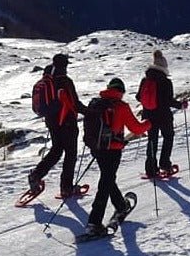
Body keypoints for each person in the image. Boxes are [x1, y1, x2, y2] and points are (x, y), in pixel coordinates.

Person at [83, 77, 150, 237]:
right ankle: (94, 222)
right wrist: (149, 123)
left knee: (108, 178)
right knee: (105, 182)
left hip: (96, 148)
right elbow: (136, 128)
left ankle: (121, 205)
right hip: (112, 150)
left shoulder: (96, 104)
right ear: (121, 91)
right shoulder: (121, 106)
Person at [29, 53, 88, 197]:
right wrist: (90, 112)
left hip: (51, 121)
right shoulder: (65, 81)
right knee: (70, 154)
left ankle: (36, 175)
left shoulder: (48, 80)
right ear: (65, 65)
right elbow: (75, 103)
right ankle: (66, 188)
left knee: (56, 151)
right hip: (67, 122)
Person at [137, 49, 188, 178]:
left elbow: (138, 97)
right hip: (164, 116)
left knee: (152, 141)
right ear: (164, 67)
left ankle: (150, 169)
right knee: (168, 137)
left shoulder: (145, 80)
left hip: (148, 115)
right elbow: (168, 101)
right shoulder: (166, 82)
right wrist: (180, 105)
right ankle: (165, 165)